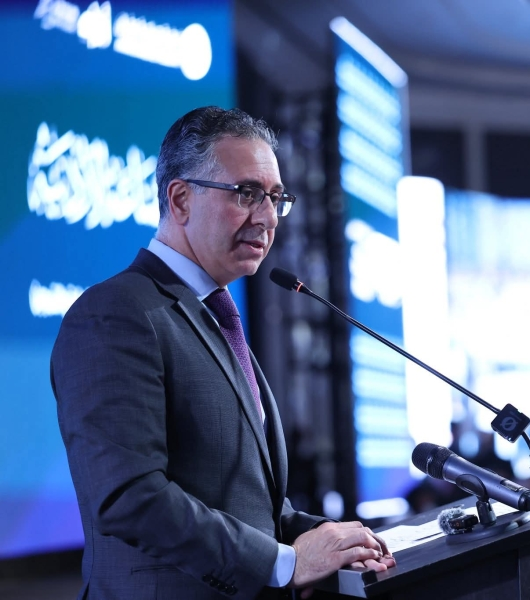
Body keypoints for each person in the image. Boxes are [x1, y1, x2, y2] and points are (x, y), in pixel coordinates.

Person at [51, 106, 394, 600]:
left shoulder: (211, 314)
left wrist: (328, 537)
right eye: (247, 193)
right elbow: (129, 496)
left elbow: (247, 504)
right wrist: (285, 563)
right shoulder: (116, 313)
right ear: (181, 199)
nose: (268, 217)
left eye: (276, 198)